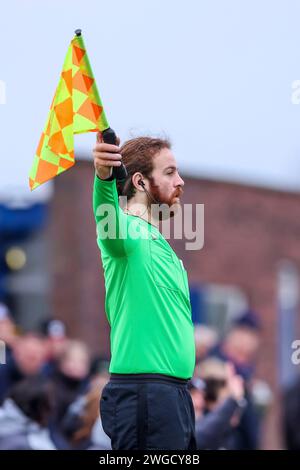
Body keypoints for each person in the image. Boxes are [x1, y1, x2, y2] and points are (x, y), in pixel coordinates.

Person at [92, 133, 196, 450]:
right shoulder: (127, 231)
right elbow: (106, 213)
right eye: (169, 172)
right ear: (139, 182)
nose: (180, 181)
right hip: (145, 395)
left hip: (172, 396)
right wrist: (103, 176)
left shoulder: (156, 240)